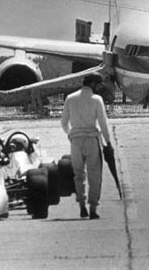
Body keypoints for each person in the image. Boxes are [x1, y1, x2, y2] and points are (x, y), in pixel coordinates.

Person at [61, 72, 112, 219]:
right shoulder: (97, 99)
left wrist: (70, 134)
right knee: (94, 176)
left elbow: (64, 122)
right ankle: (93, 208)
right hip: (91, 140)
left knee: (78, 175)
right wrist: (107, 142)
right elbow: (103, 123)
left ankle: (82, 206)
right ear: (93, 84)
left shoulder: (70, 98)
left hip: (76, 141)